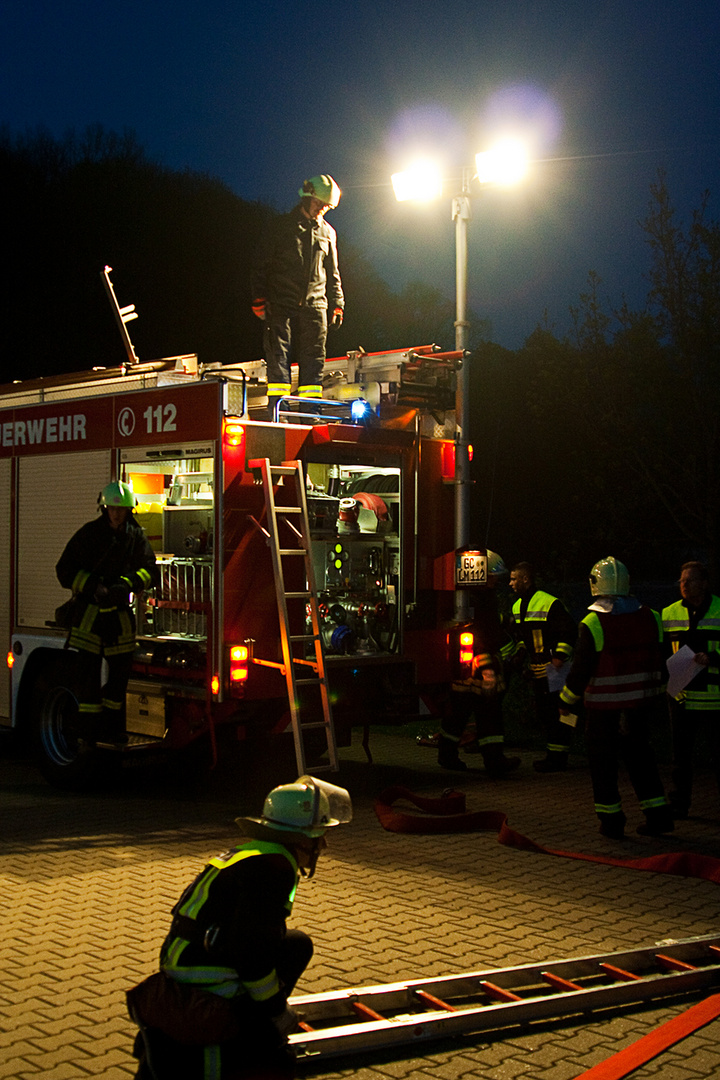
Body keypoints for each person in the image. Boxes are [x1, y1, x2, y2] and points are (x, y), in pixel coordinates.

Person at [128, 775, 353, 1080]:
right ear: (300, 837)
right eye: (319, 835)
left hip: (185, 962)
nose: (323, 844)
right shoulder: (274, 869)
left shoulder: (254, 853)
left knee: (296, 943)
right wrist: (276, 1011)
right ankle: (249, 1033)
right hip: (206, 978)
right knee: (268, 1010)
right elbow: (252, 953)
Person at [558, 557, 673, 839]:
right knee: (642, 761)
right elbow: (663, 663)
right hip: (640, 707)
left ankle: (611, 822)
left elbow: (580, 671)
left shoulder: (593, 622)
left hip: (603, 709)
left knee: (603, 766)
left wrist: (565, 701)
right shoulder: (652, 617)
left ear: (595, 584)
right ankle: (659, 817)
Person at [55, 480, 158, 744]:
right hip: (90, 615)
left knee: (120, 677)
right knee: (87, 678)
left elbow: (150, 570)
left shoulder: (136, 537)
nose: (116, 513)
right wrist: (92, 586)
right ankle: (88, 733)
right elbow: (64, 569)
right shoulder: (89, 534)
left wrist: (127, 583)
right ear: (104, 508)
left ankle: (112, 729)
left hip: (119, 617)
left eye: (121, 509)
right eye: (112, 508)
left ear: (128, 510)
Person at [251, 175, 345, 417]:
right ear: (307, 197)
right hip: (281, 303)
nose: (322, 209)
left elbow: (333, 273)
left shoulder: (328, 233)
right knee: (278, 357)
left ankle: (309, 413)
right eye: (319, 204)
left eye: (327, 206)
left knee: (313, 364)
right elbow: (261, 264)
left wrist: (338, 305)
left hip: (316, 307)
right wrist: (259, 299)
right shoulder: (281, 227)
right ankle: (278, 409)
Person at [437, 551, 520, 776]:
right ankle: (494, 761)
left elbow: (489, 625)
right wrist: (488, 670)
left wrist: (506, 622)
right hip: (477, 668)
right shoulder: (475, 600)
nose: (496, 581)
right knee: (489, 715)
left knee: (459, 713)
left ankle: (447, 755)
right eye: (492, 577)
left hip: (468, 670)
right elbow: (480, 635)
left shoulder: (474, 597)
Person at [661, 561, 720, 818]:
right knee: (680, 757)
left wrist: (714, 657)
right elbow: (663, 652)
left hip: (714, 698)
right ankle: (678, 804)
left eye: (690, 580)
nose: (684, 585)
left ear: (704, 583)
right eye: (681, 581)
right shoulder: (669, 612)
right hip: (681, 696)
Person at [509, 562, 577, 773]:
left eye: (514, 579)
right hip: (539, 670)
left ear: (526, 579)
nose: (510, 583)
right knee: (547, 714)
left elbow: (569, 631)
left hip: (555, 669)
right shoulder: (516, 606)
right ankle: (555, 755)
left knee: (561, 711)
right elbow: (522, 637)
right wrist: (520, 653)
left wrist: (559, 656)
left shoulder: (549, 603)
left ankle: (559, 757)